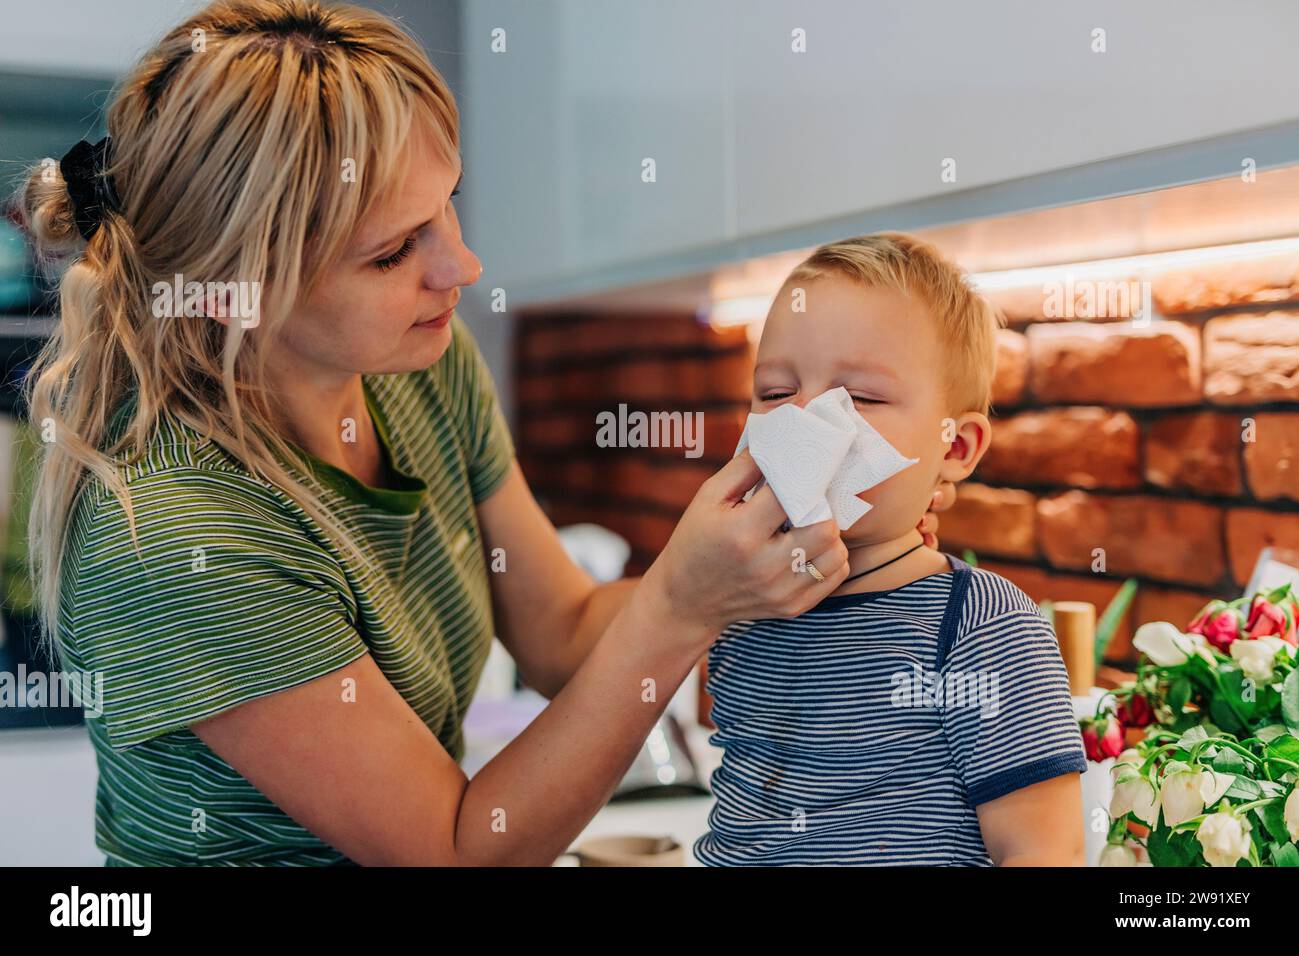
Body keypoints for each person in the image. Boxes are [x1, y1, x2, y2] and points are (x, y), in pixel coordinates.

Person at [14, 0, 956, 866]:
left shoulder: (418, 369)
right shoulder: (180, 534)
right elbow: (456, 851)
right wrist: (681, 607)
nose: (460, 264)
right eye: (392, 252)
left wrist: (761, 572)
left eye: (447, 204)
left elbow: (560, 631)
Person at [694, 234, 1086, 866]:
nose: (804, 420)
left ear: (954, 449)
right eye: (773, 393)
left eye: (859, 399)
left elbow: (1044, 853)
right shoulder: (738, 609)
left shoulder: (980, 629)